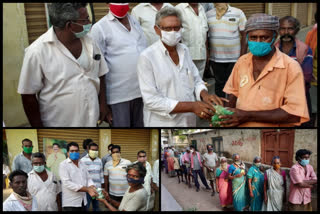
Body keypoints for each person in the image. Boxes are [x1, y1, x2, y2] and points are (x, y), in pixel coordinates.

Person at [17, 3, 110, 127]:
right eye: (86, 19)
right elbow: (28, 95)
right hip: (58, 122)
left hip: (91, 119)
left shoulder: (90, 41)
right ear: (70, 25)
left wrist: (103, 104)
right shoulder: (37, 51)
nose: (90, 23)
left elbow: (101, 73)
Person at [137, 6, 224, 127]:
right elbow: (151, 100)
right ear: (157, 30)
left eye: (176, 28)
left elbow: (196, 79)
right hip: (164, 122)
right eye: (167, 28)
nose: (173, 32)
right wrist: (192, 106)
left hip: (188, 121)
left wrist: (205, 95)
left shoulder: (184, 50)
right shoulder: (147, 57)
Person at [221, 13, 310, 127]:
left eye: (264, 37)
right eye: (253, 38)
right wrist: (223, 116)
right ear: (247, 37)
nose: (258, 42)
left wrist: (247, 115)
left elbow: (295, 113)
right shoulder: (242, 61)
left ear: (274, 37)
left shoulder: (291, 67)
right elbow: (233, 93)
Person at [90, 3, 147, 127]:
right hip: (118, 97)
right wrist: (103, 104)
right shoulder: (99, 28)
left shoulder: (135, 22)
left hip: (141, 92)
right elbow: (97, 69)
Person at [275, 16, 314, 127]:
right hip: (277, 99)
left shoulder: (305, 49)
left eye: (290, 29)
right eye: (282, 29)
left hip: (300, 97)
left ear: (296, 30)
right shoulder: (273, 49)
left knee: (301, 125)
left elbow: (305, 77)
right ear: (278, 30)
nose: (286, 32)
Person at [206, 3, 247, 98]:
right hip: (216, 58)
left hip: (234, 58)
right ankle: (221, 107)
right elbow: (205, 36)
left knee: (234, 84)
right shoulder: (208, 14)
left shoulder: (238, 12)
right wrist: (207, 55)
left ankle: (232, 107)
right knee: (219, 83)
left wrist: (242, 56)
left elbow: (245, 34)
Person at [59, 142, 98, 211]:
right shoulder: (63, 165)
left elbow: (88, 178)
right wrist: (87, 189)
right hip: (71, 202)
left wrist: (92, 186)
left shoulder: (82, 163)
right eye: (72, 151)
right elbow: (67, 183)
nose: (75, 153)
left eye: (76, 151)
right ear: (68, 153)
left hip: (83, 200)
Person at [176, 3, 208, 78]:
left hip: (201, 54)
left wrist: (207, 52)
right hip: (185, 55)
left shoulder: (201, 8)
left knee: (199, 82)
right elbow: (175, 31)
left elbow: (205, 31)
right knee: (186, 82)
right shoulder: (179, 8)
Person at [80, 142, 104, 211]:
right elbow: (82, 175)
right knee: (86, 207)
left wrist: (101, 188)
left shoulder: (99, 160)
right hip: (88, 189)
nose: (94, 151)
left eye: (96, 150)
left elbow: (101, 174)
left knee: (96, 206)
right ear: (88, 150)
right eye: (92, 150)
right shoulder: (83, 160)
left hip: (98, 188)